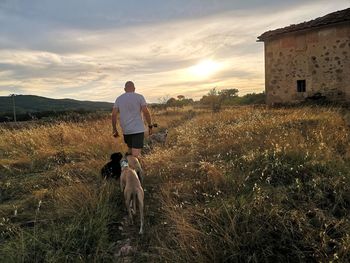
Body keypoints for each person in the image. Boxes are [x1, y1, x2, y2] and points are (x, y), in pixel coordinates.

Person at [111, 81, 153, 158]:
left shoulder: (119, 99)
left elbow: (113, 115)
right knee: (135, 154)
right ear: (134, 88)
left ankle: (129, 167)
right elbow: (146, 112)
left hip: (126, 130)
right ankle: (134, 168)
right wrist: (150, 125)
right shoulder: (140, 97)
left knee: (130, 150)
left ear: (124, 89)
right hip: (138, 129)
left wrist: (114, 129)